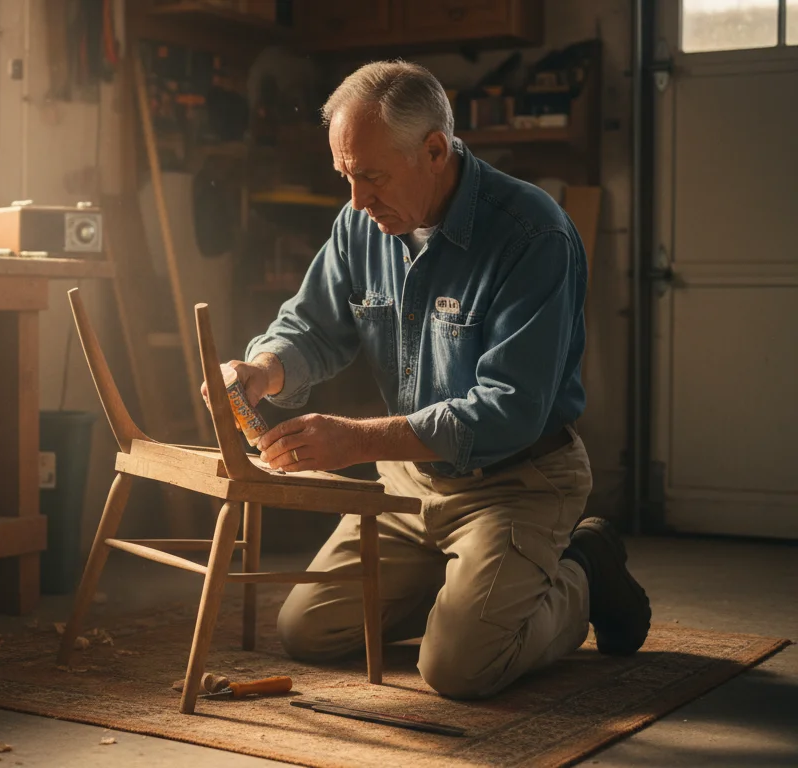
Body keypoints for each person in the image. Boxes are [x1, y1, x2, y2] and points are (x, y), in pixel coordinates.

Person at [223, 61, 651, 699]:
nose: (356, 201)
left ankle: (583, 569)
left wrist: (359, 440)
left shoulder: (534, 235)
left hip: (515, 482)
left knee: (458, 668)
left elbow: (508, 411)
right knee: (306, 631)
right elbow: (312, 328)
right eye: (345, 176)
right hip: (411, 480)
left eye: (370, 176)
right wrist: (262, 367)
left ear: (433, 150)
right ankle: (470, 586)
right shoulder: (361, 223)